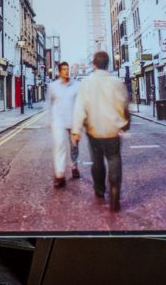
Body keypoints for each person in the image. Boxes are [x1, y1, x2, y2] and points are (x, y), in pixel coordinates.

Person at [71, 51, 130, 212]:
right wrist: (124, 122)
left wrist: (76, 130)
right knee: (114, 159)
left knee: (97, 162)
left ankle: (99, 189)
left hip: (94, 130)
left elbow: (79, 108)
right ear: (108, 64)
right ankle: (115, 191)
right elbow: (125, 103)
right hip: (112, 129)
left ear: (94, 65)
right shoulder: (117, 82)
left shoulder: (86, 83)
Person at [45, 62, 80, 188]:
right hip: (58, 121)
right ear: (59, 71)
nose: (66, 71)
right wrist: (49, 120)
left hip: (73, 120)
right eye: (64, 69)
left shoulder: (76, 85)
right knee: (59, 146)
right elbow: (48, 104)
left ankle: (74, 165)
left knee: (74, 146)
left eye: (67, 69)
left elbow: (80, 104)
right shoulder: (53, 86)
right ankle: (60, 175)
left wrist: (81, 123)